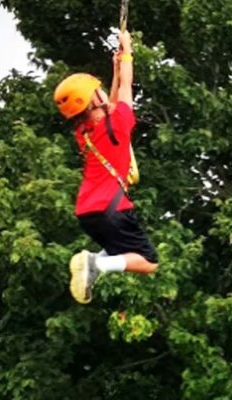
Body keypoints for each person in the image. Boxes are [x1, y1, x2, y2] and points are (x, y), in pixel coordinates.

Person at [54, 31, 158, 304]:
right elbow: (126, 86)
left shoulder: (85, 133)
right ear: (92, 101)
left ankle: (94, 263)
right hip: (112, 209)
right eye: (96, 91)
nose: (102, 92)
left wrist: (116, 66)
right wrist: (127, 53)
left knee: (117, 249)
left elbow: (111, 100)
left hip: (87, 212)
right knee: (148, 261)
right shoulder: (120, 122)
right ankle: (95, 265)